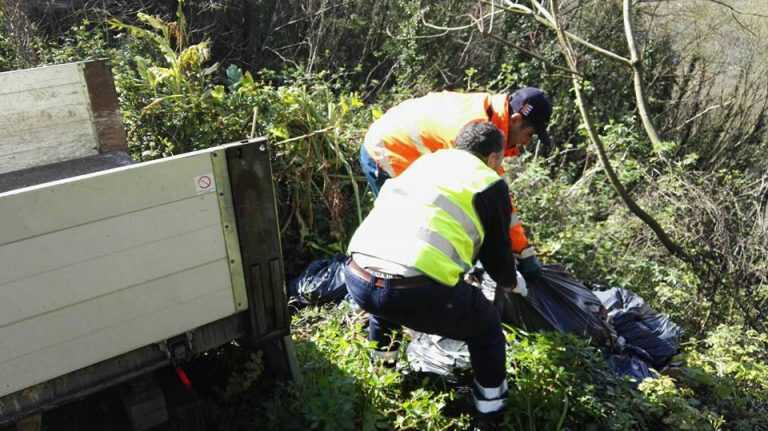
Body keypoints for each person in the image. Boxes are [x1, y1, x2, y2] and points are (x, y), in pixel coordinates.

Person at [345, 121, 519, 419]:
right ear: (493, 158)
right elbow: (496, 255)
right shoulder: (489, 182)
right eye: (499, 161)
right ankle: (491, 411)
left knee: (385, 308)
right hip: (415, 293)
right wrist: (512, 282)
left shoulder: (427, 162)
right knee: (487, 325)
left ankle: (382, 378)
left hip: (358, 275)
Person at [359, 87, 552, 277]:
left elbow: (495, 195)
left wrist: (518, 249)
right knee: (408, 230)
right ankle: (376, 284)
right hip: (388, 153)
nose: (527, 143)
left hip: (409, 149)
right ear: (516, 120)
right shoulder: (471, 129)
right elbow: (492, 195)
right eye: (530, 134)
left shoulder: (488, 119)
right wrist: (522, 252)